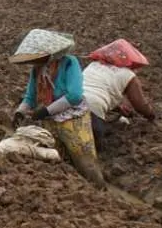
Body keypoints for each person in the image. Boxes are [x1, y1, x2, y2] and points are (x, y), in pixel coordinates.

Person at [10, 29, 102, 187]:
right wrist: (20, 112)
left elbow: (74, 95)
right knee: (58, 160)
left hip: (73, 119)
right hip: (50, 120)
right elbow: (30, 97)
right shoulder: (38, 69)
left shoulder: (69, 63)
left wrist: (46, 111)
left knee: (85, 162)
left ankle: (100, 191)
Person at [82, 39, 157, 148]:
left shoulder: (94, 65)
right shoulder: (128, 75)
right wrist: (151, 115)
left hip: (70, 102)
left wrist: (118, 108)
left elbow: (94, 90)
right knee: (97, 146)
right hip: (94, 108)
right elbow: (140, 104)